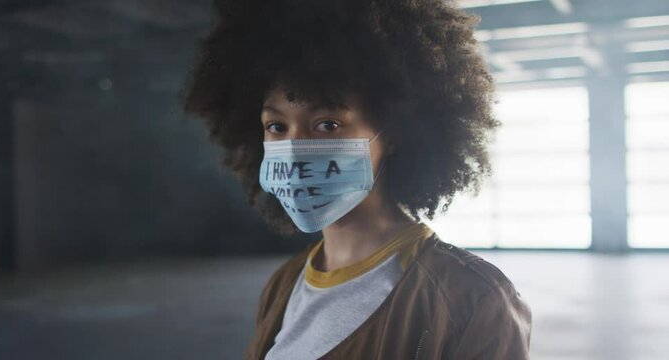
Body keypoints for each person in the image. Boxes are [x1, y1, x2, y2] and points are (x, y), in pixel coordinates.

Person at [183, 0, 533, 359]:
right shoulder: (284, 284)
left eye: (327, 124)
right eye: (276, 126)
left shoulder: (472, 299)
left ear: (393, 131)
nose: (294, 148)